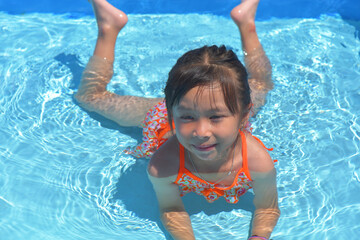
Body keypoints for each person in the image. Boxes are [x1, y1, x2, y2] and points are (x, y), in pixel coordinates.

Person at [75, 0, 280, 239]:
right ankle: (108, 29)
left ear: (243, 116)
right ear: (173, 115)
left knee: (261, 85)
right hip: (158, 117)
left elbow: (268, 207)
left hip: (209, 105)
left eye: (215, 117)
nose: (201, 132)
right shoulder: (163, 165)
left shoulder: (258, 162)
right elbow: (171, 208)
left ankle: (247, 24)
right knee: (89, 97)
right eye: (188, 117)